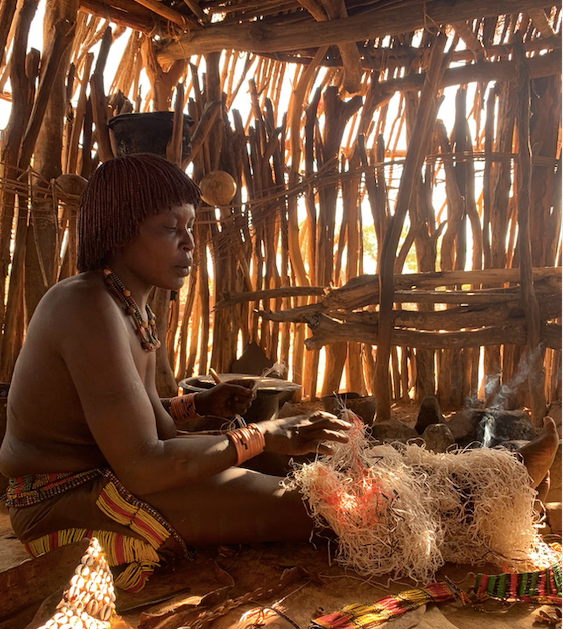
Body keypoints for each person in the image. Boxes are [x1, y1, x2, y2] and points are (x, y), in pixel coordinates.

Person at [0, 153, 350, 591]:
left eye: (190, 228)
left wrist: (195, 405)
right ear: (119, 231)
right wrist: (262, 434)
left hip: (114, 470)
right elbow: (144, 464)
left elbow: (129, 416)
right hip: (64, 498)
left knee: (305, 462)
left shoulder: (129, 304)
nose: (189, 244)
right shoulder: (84, 305)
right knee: (324, 505)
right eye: (170, 228)